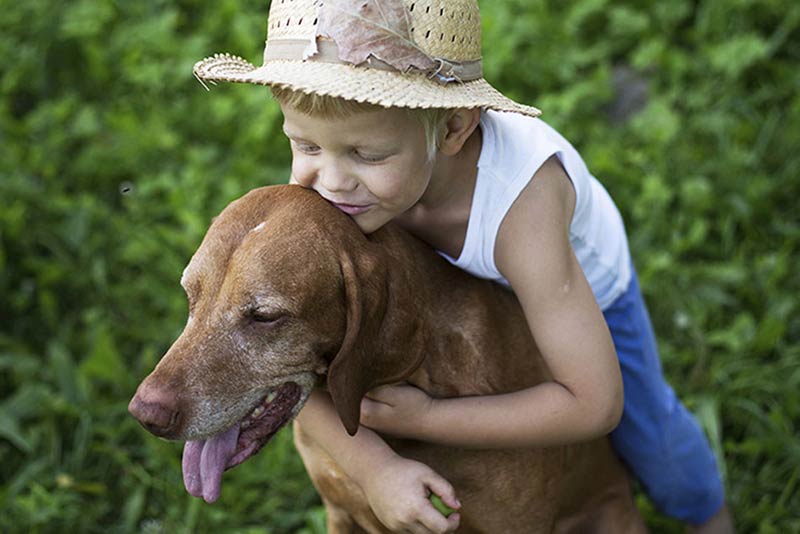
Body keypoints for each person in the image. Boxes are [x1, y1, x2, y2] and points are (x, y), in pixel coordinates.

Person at [193, 0, 732, 532]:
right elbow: (298, 358)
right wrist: (375, 469)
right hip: (449, 286)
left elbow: (593, 404)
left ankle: (708, 514)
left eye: (367, 154)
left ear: (452, 127)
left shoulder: (523, 208)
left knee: (648, 435)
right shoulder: (352, 187)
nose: (330, 183)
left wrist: (425, 419)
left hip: (568, 287)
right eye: (305, 144)